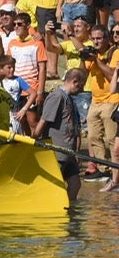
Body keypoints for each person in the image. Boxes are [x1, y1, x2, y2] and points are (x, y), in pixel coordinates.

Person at [34, 68, 85, 202]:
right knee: (54, 186)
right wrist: (34, 140)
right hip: (58, 153)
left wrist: (76, 152)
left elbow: (75, 127)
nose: (83, 89)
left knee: (75, 185)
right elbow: (43, 121)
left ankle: (69, 210)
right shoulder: (57, 97)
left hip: (69, 153)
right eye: (82, 85)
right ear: (75, 82)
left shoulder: (70, 99)